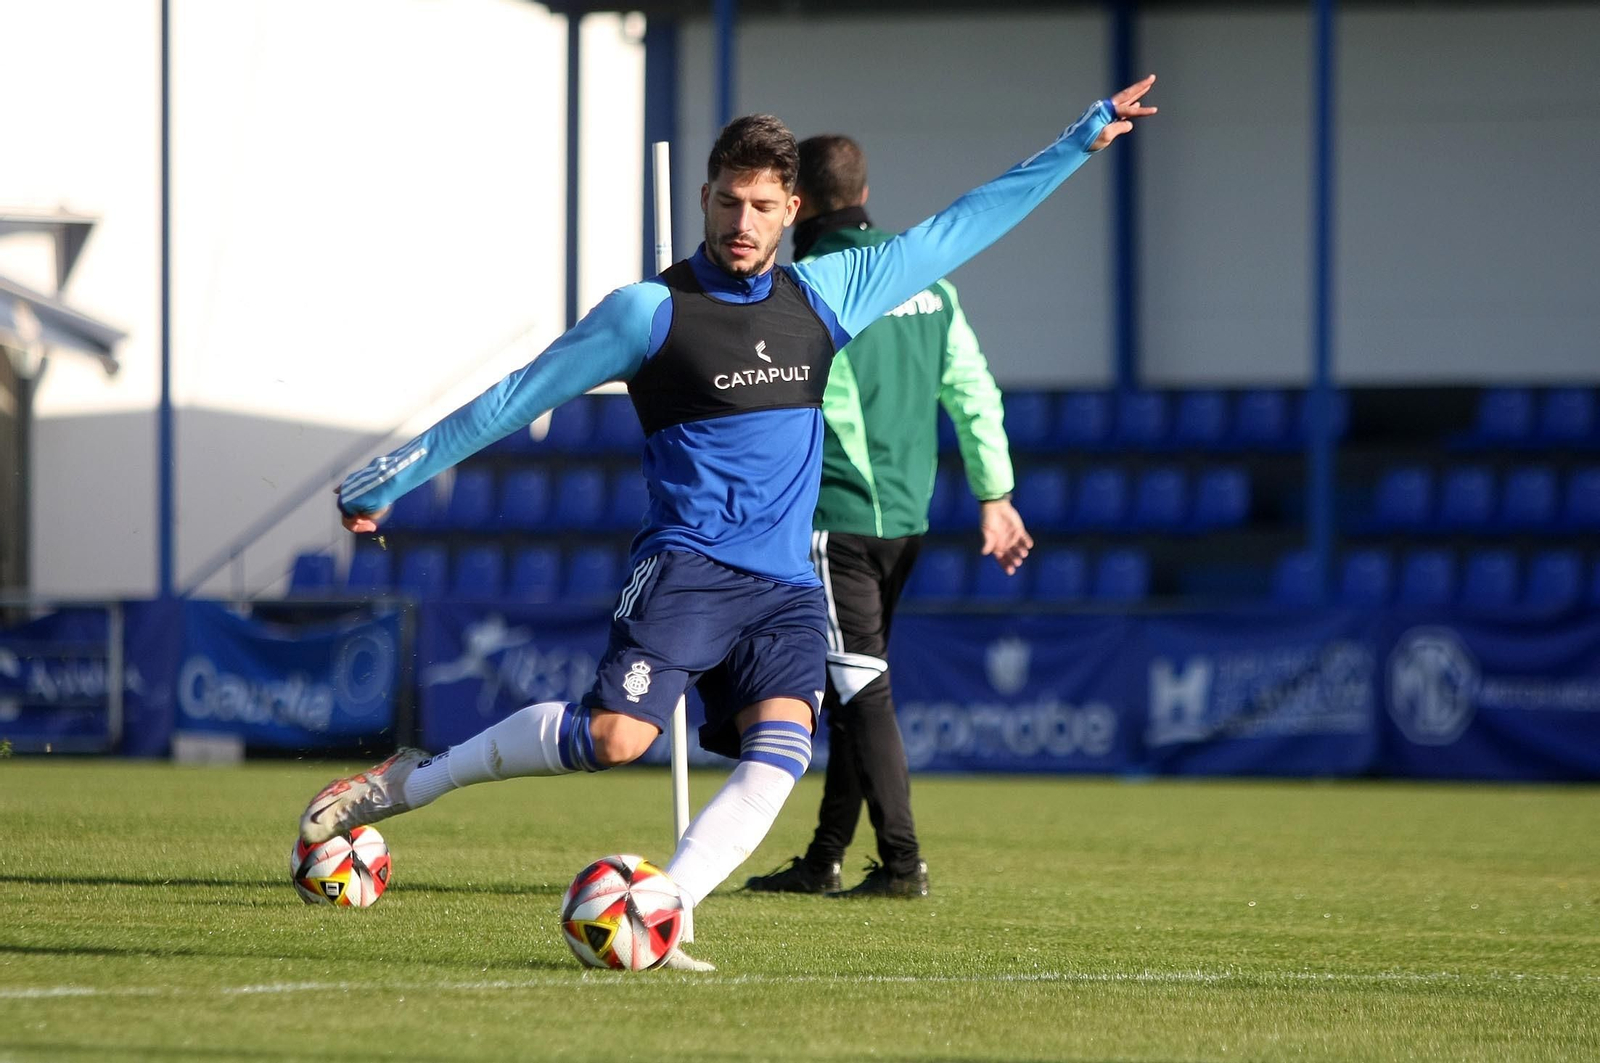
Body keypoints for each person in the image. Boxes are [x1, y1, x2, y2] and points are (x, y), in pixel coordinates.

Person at [298, 77, 1157, 970]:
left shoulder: (830, 296)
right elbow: (515, 399)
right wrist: (392, 478)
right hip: (686, 567)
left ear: (792, 208)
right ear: (703, 197)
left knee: (782, 750)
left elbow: (961, 225)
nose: (741, 222)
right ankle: (413, 779)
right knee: (615, 740)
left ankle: (664, 904)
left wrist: (1081, 138)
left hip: (786, 585)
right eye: (726, 201)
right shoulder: (647, 314)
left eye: (760, 205)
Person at [743, 134, 1030, 900]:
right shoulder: (930, 281)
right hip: (907, 524)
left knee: (860, 691)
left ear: (800, 199)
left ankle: (903, 863)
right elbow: (973, 388)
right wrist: (994, 494)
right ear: (864, 189)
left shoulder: (807, 285)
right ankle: (825, 856)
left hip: (835, 518)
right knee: (850, 685)